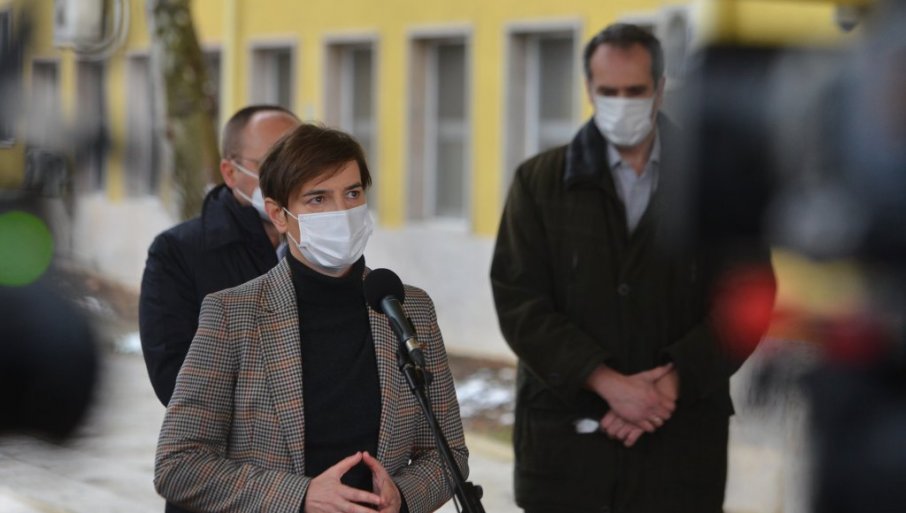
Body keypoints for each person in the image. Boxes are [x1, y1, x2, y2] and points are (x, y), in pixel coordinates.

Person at [490, 23, 774, 513]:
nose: (621, 104)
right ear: (589, 89)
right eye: (609, 91)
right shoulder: (539, 182)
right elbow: (519, 302)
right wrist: (606, 383)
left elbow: (750, 294)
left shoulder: (715, 181)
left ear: (660, 89)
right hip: (568, 455)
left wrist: (671, 383)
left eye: (635, 91)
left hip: (679, 456)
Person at [154, 123, 468, 513]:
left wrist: (402, 497)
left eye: (352, 193)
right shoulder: (233, 314)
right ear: (278, 214)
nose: (342, 212)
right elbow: (178, 464)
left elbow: (447, 453)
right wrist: (300, 497)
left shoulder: (407, 307)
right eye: (318, 199)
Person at [139, 104, 300, 407]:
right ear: (230, 172)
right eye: (272, 163)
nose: (289, 177)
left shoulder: (320, 245)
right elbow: (173, 378)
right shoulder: (176, 252)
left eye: (300, 163)